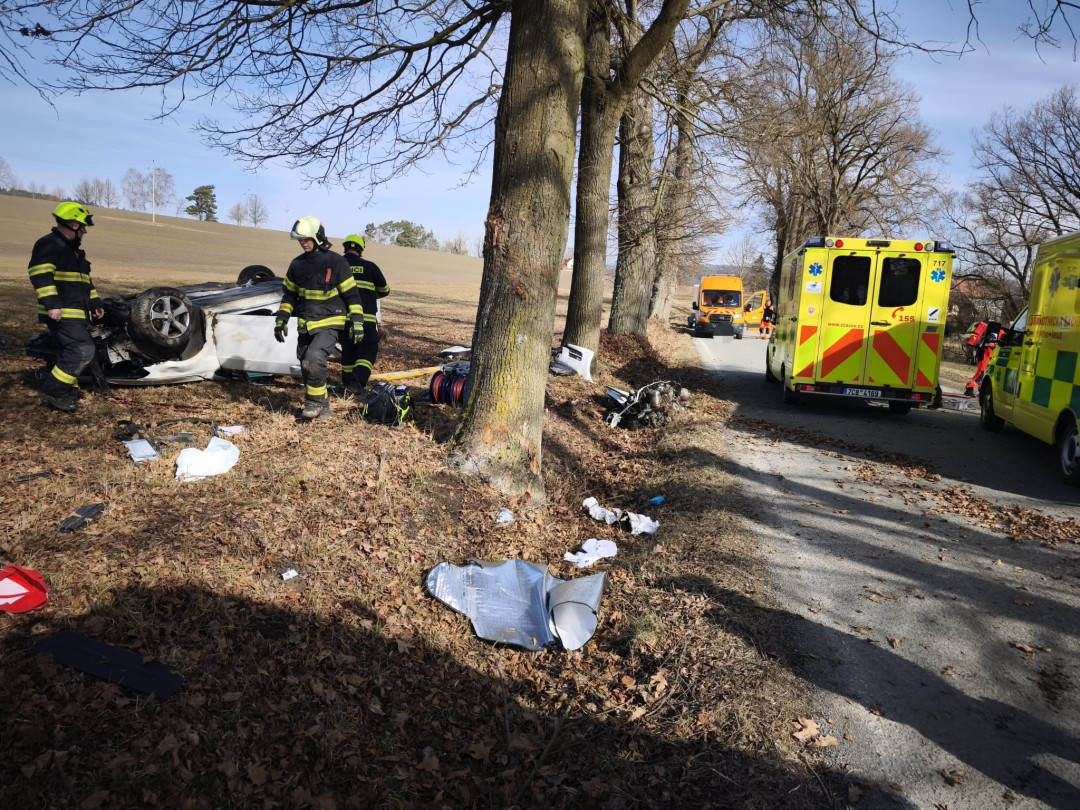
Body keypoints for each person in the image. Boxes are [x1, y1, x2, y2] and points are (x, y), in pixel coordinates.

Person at [274, 216, 365, 420]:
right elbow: (289, 295)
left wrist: (357, 321)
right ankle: (323, 409)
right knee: (306, 363)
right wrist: (281, 318)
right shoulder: (296, 265)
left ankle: (314, 402)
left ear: (317, 237)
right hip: (306, 324)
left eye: (306, 239)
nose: (302, 243)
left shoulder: (336, 262)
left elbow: (352, 294)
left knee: (313, 358)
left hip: (330, 321)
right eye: (300, 240)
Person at [27, 201, 104, 412]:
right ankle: (55, 390)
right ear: (72, 224)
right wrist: (52, 305)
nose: (85, 231)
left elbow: (85, 282)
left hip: (77, 313)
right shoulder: (50, 245)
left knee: (71, 351)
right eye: (83, 226)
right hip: (62, 313)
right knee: (81, 350)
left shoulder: (75, 252)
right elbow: (40, 274)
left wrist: (95, 302)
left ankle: (67, 396)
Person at [339, 234, 390, 395]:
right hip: (365, 319)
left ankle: (347, 384)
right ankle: (357, 382)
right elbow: (384, 290)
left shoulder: (337, 266)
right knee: (368, 349)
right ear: (360, 249)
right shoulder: (370, 267)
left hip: (343, 320)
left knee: (348, 351)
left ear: (345, 248)